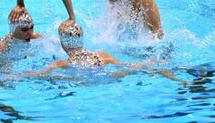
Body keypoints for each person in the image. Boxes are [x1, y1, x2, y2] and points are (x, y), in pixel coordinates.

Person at [26, 24, 184, 84]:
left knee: (52, 77)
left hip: (82, 81)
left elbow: (36, 74)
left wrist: (13, 77)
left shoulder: (62, 63)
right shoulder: (102, 55)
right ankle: (178, 79)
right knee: (141, 66)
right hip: (110, 76)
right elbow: (124, 65)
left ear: (62, 44)